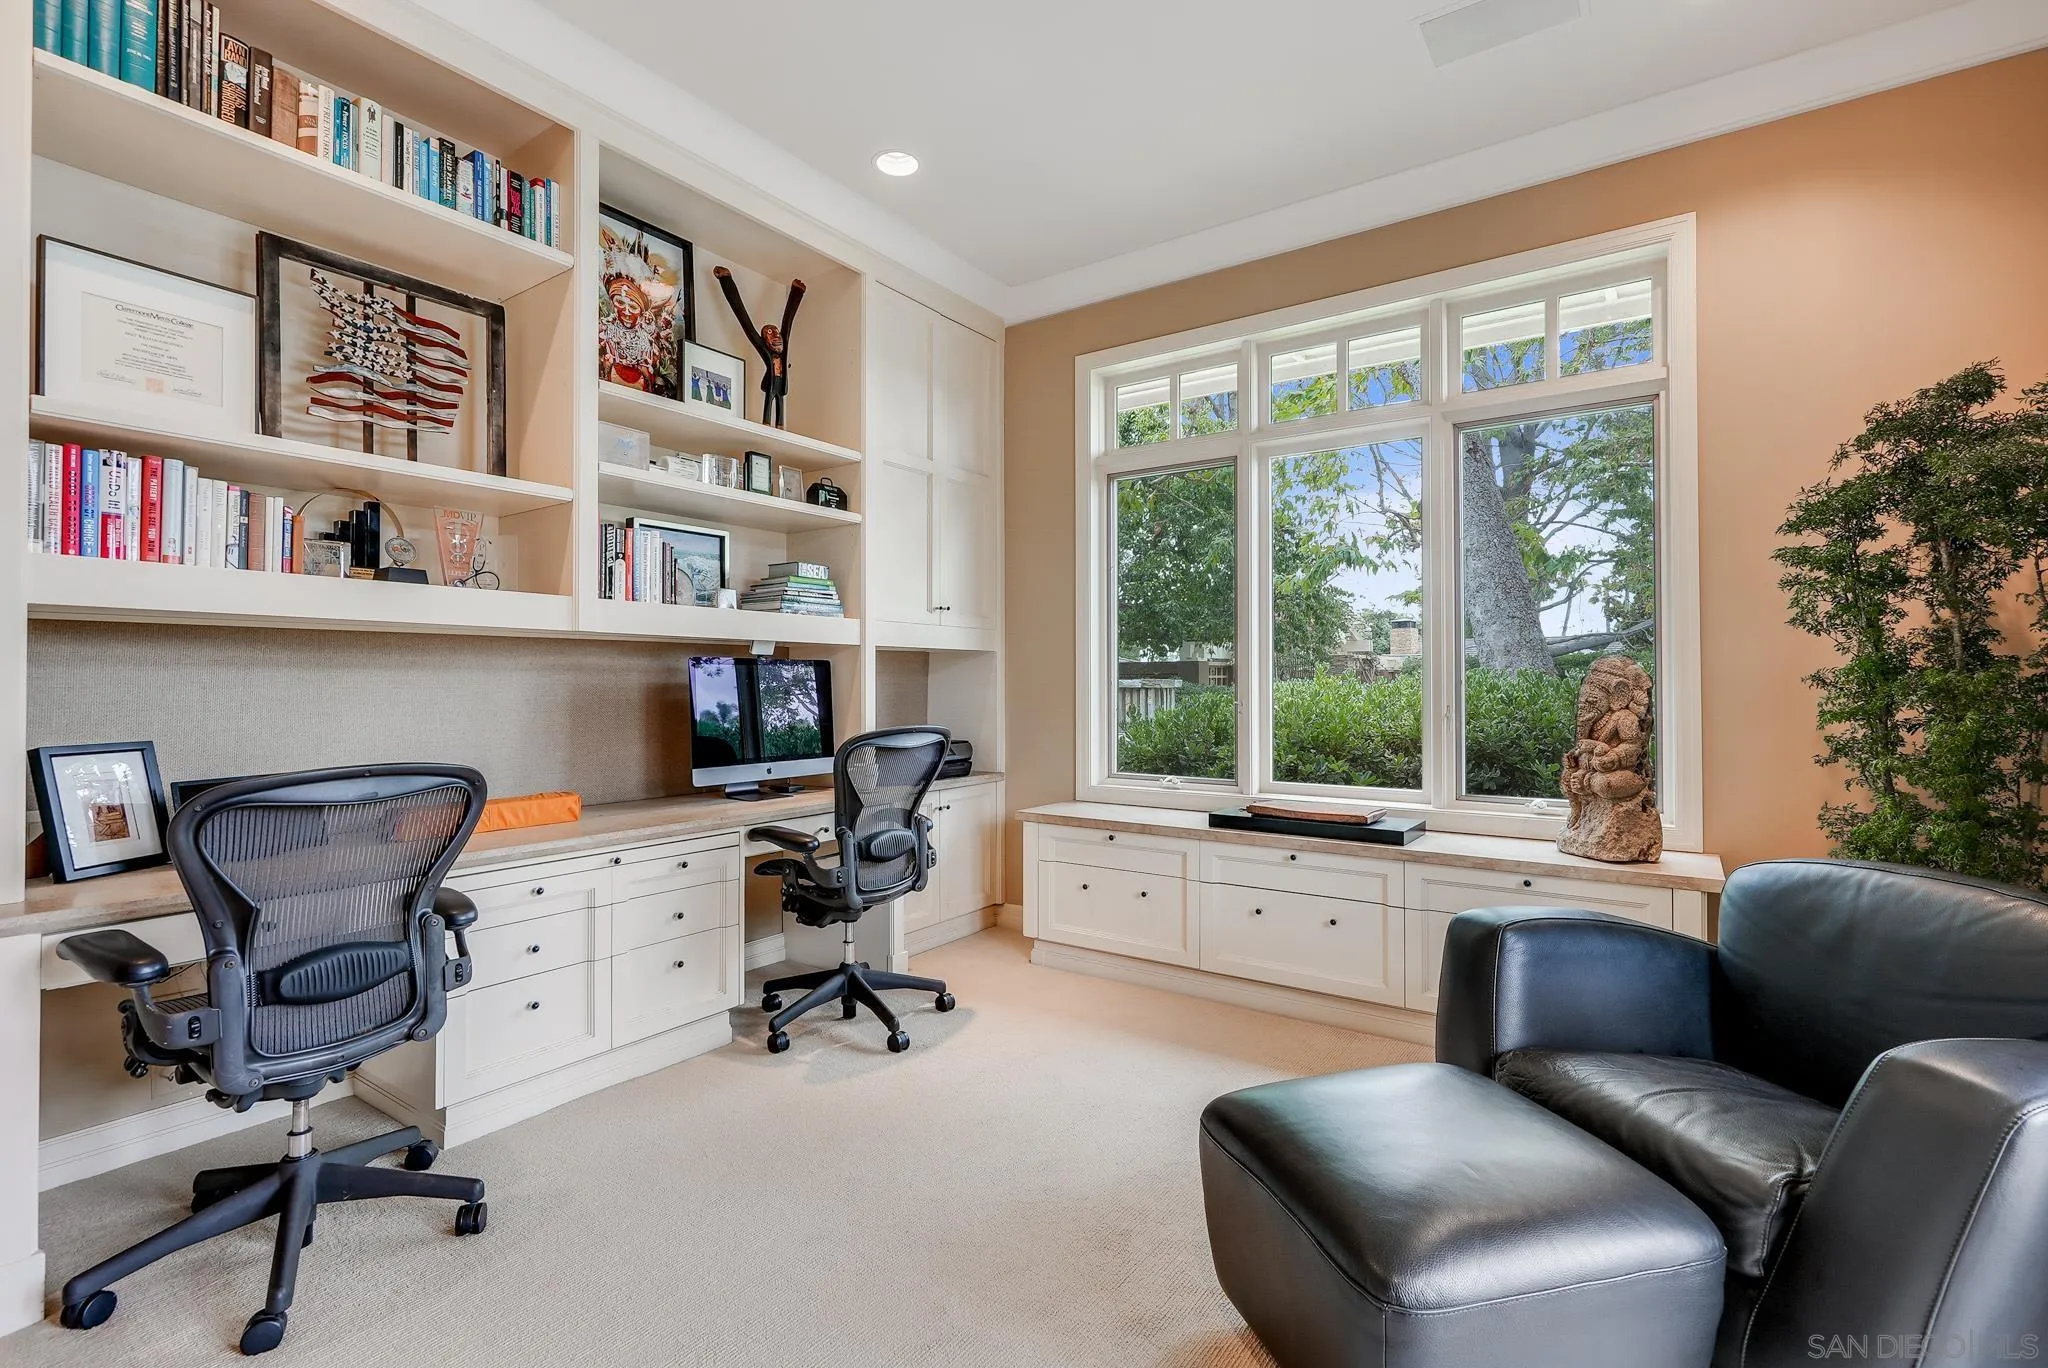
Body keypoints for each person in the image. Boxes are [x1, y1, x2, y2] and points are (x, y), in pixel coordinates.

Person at [713, 266, 805, 428]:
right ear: (763, 339)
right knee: (769, 402)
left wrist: (797, 292)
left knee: (780, 404)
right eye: (770, 333)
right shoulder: (764, 349)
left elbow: (788, 321)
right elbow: (744, 318)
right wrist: (726, 280)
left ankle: (780, 424)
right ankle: (767, 422)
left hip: (780, 385)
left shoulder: (784, 348)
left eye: (776, 332)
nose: (776, 336)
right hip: (770, 384)